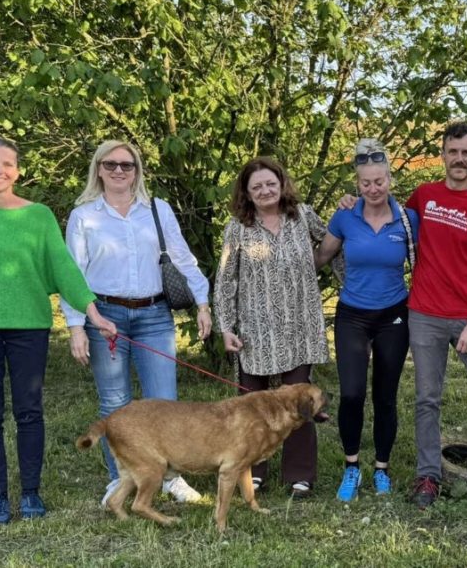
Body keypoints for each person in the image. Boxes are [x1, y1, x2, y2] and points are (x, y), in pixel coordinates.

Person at [339, 122, 467, 509]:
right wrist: (349, 203)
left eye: (466, 152)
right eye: (453, 151)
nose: (459, 158)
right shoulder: (423, 197)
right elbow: (379, 208)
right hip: (423, 314)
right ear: (443, 155)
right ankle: (427, 475)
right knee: (427, 399)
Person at [0, 137, 117, 524]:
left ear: (17, 171)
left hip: (29, 330)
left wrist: (94, 313)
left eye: (6, 164)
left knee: (29, 411)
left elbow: (63, 268)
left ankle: (32, 494)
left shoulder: (38, 216)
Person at [61, 140, 212, 507]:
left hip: (154, 316)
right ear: (98, 169)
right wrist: (76, 326)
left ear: (137, 170)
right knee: (115, 404)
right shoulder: (84, 216)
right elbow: (72, 275)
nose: (118, 171)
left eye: (126, 165)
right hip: (105, 318)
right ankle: (120, 479)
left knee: (166, 405)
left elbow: (184, 259)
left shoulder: (158, 210)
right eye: (110, 164)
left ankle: (172, 478)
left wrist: (203, 303)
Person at [214, 156, 329, 497]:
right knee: (252, 407)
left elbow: (335, 242)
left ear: (281, 184)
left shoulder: (303, 216)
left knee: (301, 403)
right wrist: (226, 326)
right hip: (254, 330)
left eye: (270, 184)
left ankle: (300, 474)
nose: (265, 191)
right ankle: (253, 470)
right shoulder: (237, 228)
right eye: (257, 187)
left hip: (299, 325)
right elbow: (225, 281)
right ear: (247, 194)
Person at [314, 138, 419, 502]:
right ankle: (352, 466)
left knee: (385, 396)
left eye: (379, 181)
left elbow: (430, 263)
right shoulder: (345, 216)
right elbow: (321, 257)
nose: (373, 189)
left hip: (394, 314)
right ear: (356, 184)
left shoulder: (408, 220)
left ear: (390, 179)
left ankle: (382, 469)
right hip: (352, 316)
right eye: (365, 183)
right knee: (352, 394)